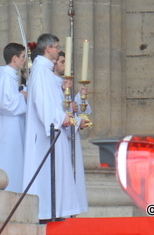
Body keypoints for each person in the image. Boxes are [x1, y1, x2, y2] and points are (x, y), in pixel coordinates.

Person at [22, 33, 81, 221]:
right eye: (57, 46)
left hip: (55, 131)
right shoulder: (40, 71)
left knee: (57, 174)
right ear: (48, 49)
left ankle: (56, 212)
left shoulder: (46, 72)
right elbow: (42, 103)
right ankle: (47, 213)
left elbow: (53, 102)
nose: (58, 49)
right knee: (46, 175)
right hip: (47, 134)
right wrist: (60, 118)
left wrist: (64, 112)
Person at [0, 42, 28, 192]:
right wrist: (22, 96)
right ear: (14, 58)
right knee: (9, 160)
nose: (24, 60)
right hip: (7, 129)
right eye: (22, 56)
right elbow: (4, 103)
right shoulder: (5, 76)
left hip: (13, 126)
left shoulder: (11, 76)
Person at [54, 52, 91, 214]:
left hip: (69, 137)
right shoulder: (50, 84)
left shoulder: (61, 84)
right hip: (59, 138)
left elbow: (67, 110)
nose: (65, 66)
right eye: (62, 62)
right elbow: (55, 113)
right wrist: (72, 114)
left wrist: (79, 100)